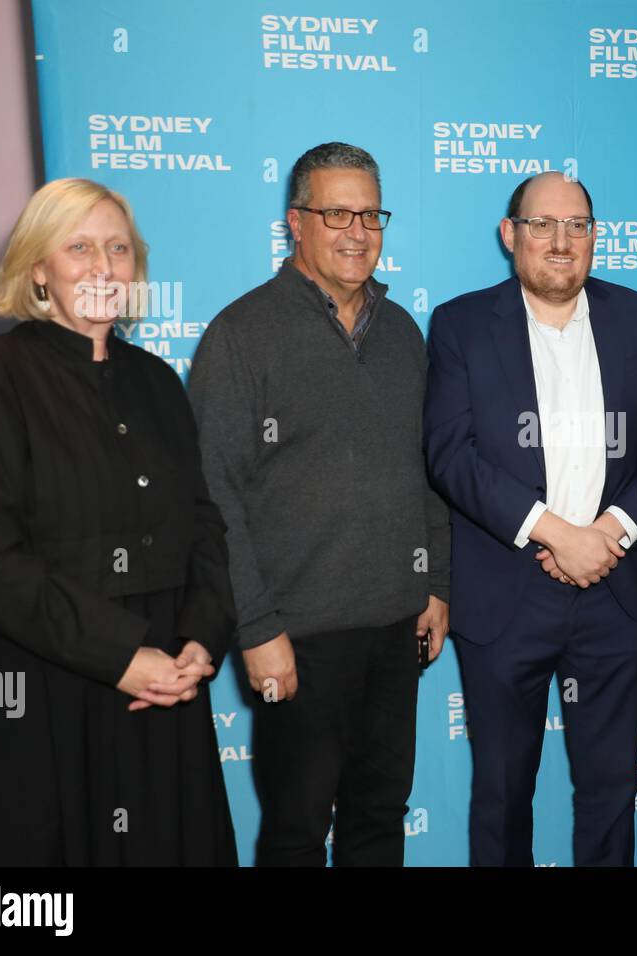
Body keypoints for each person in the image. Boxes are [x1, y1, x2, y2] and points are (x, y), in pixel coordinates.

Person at [0, 178, 236, 865]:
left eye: (118, 249)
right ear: (38, 268)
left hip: (165, 682)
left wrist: (201, 640)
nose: (103, 266)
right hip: (42, 691)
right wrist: (122, 656)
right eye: (79, 247)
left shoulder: (159, 380)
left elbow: (203, 523)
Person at [188, 142, 449, 867]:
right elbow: (213, 497)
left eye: (371, 213)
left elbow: (425, 470)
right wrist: (256, 626)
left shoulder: (402, 333)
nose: (357, 230)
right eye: (337, 212)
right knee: (296, 831)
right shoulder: (242, 335)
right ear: (296, 223)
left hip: (397, 628)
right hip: (294, 638)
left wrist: (435, 585)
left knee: (379, 819)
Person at [423, 171, 637, 866]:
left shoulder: (636, 315)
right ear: (511, 235)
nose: (561, 242)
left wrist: (613, 530)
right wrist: (558, 533)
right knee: (502, 797)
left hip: (617, 593)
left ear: (595, 237)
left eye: (578, 225)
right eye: (542, 224)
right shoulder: (460, 324)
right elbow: (450, 454)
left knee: (611, 795)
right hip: (507, 595)